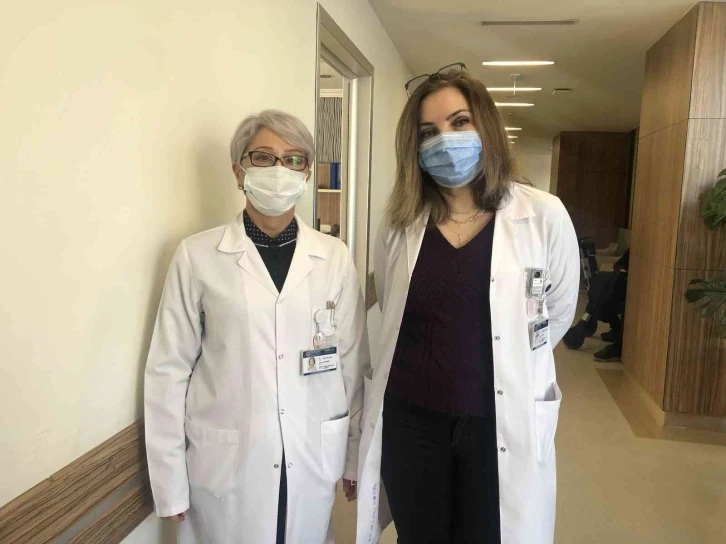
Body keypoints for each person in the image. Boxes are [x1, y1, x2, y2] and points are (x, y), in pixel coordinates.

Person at [355, 64, 580, 544]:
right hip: (412, 419)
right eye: (428, 132)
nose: (445, 140)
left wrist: (510, 359)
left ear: (487, 128)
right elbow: (393, 309)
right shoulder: (399, 224)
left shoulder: (543, 214)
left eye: (459, 122)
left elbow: (558, 312)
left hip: (498, 418)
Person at [144, 110, 370, 544]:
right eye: (264, 157)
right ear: (239, 171)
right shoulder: (197, 256)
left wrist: (355, 455)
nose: (280, 169)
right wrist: (169, 483)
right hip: (229, 463)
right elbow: (168, 371)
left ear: (306, 174)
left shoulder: (334, 257)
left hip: (310, 454)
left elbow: (353, 364)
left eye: (294, 159)